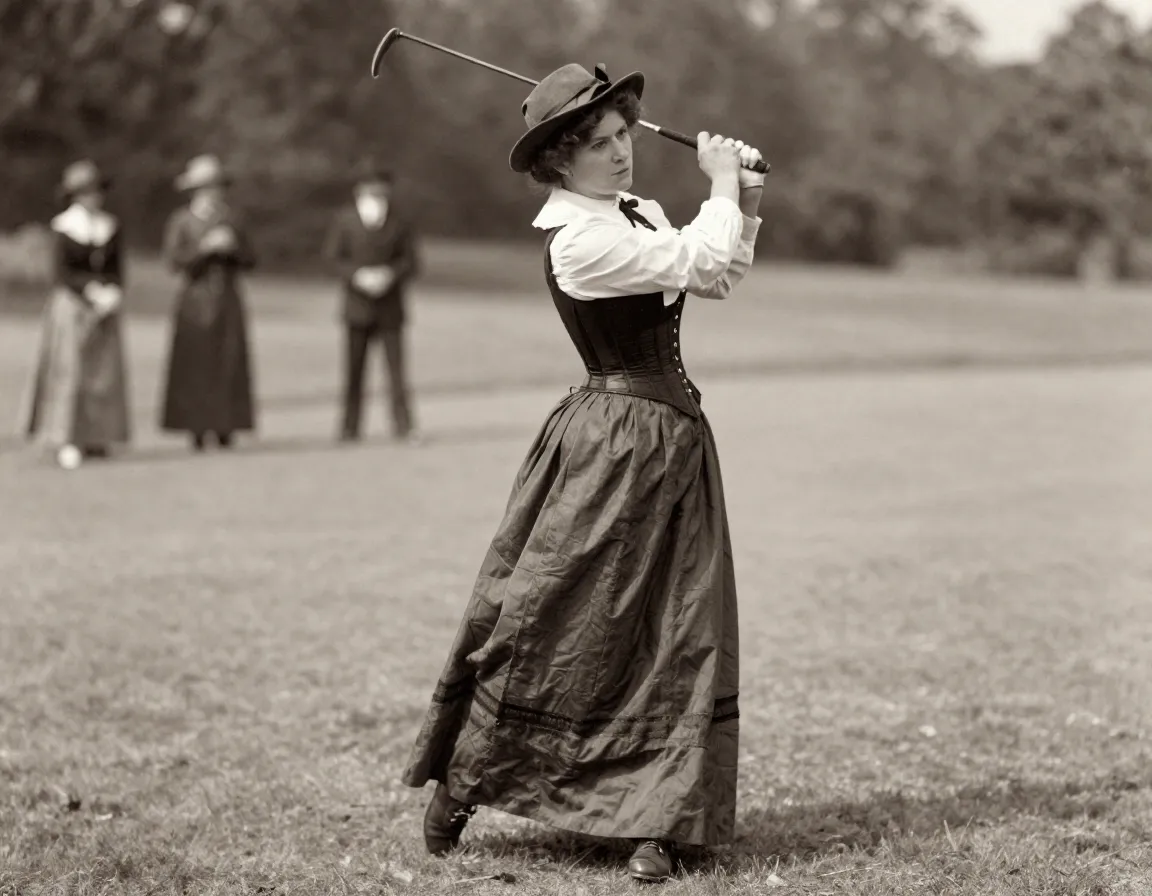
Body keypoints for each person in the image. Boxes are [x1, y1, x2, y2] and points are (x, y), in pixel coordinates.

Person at [401, 63, 765, 883]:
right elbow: (695, 260)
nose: (621, 152)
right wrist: (719, 185)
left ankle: (660, 818)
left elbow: (717, 274)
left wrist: (741, 196)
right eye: (599, 144)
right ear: (560, 162)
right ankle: (466, 781)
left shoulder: (639, 214)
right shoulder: (579, 239)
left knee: (678, 628)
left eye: (623, 134)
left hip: (673, 443)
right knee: (557, 619)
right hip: (610, 444)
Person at [17, 160, 131, 468]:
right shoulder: (64, 228)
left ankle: (98, 437)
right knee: (71, 371)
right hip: (72, 305)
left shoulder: (110, 226)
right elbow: (62, 273)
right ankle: (66, 437)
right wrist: (90, 291)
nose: (93, 198)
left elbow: (117, 269)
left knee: (103, 374)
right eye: (86, 193)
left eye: (96, 192)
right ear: (75, 196)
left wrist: (112, 292)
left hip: (104, 305)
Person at [159, 154, 257, 451]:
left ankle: (226, 426)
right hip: (195, 299)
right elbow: (174, 262)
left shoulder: (233, 219)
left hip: (227, 297)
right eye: (205, 188)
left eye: (216, 187)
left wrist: (233, 249)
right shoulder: (182, 221)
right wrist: (204, 249)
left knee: (227, 362)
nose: (212, 193)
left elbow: (251, 260)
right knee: (196, 363)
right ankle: (196, 427)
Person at [322, 162, 420, 442]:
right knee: (353, 371)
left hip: (390, 307)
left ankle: (404, 426)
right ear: (359, 189)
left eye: (380, 184)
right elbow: (332, 259)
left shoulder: (400, 220)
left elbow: (412, 262)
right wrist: (357, 276)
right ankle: (348, 428)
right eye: (369, 184)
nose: (375, 190)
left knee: (397, 372)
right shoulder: (344, 219)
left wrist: (390, 274)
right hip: (356, 306)